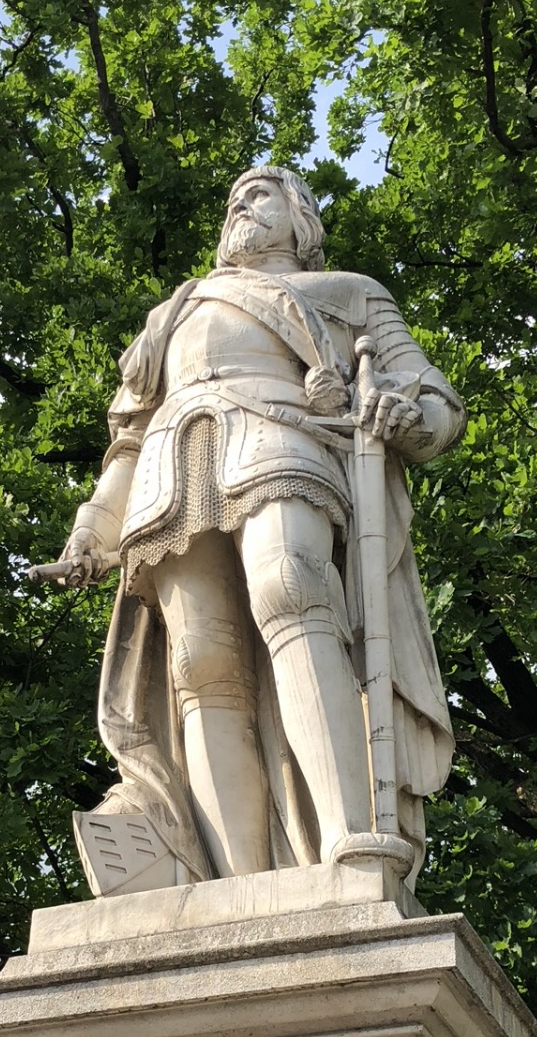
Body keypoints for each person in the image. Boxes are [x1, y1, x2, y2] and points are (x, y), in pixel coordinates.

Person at [53, 165, 464, 892]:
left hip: (286, 441)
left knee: (293, 590)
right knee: (199, 665)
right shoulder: (172, 314)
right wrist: (93, 527)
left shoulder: (349, 292)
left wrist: (410, 418)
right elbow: (129, 439)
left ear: (301, 217)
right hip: (171, 471)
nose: (241, 203)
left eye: (261, 193)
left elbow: (431, 396)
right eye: (234, 196)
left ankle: (350, 838)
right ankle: (236, 884)